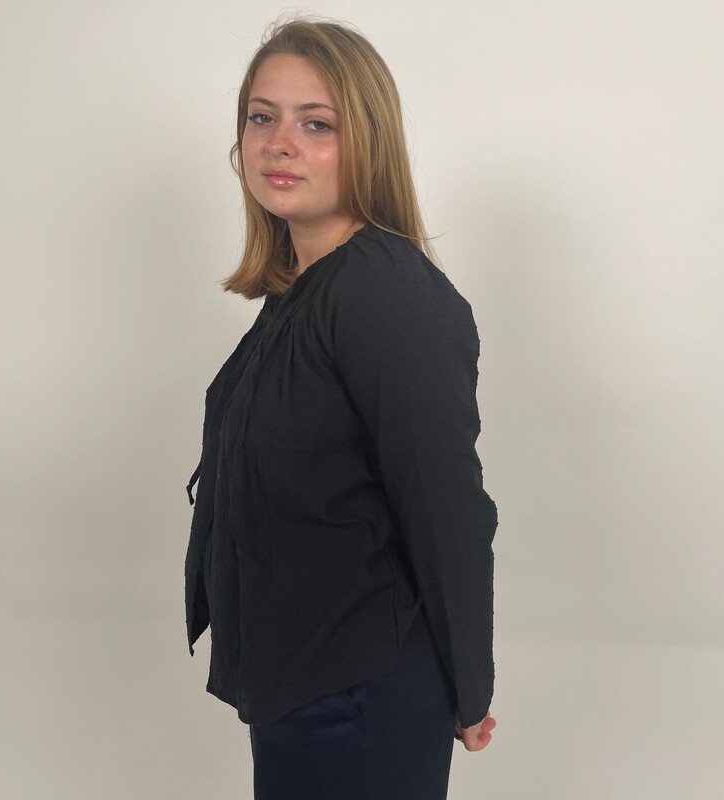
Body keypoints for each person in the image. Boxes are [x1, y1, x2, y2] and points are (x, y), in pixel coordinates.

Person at [183, 15, 498, 799]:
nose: (280, 143)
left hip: (361, 699)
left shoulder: (384, 293)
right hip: (298, 689)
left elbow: (445, 503)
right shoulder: (302, 292)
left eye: (315, 124)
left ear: (368, 143)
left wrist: (471, 687)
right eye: (262, 117)